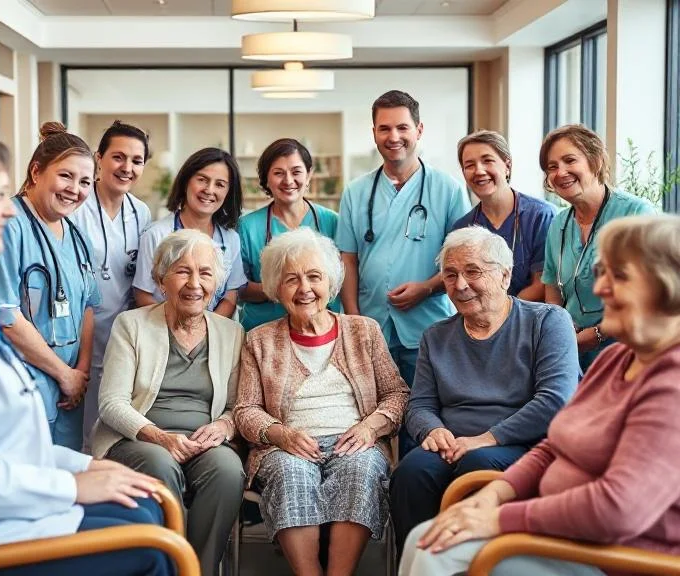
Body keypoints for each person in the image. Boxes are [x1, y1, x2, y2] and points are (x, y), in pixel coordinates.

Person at [0, 123, 175, 576]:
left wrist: (84, 465)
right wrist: (70, 484)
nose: (8, 212)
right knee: (152, 546)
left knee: (145, 507)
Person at [399, 214, 680, 576]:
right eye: (602, 274)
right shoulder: (616, 358)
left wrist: (500, 519)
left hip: (615, 556)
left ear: (667, 288)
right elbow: (555, 444)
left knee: (435, 548)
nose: (599, 290)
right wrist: (492, 495)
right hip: (567, 536)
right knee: (424, 537)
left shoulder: (670, 381)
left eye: (619, 276)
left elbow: (618, 510)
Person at [390, 226, 579, 556]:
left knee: (479, 464)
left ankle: (482, 564)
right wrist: (432, 430)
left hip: (524, 445)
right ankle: (421, 564)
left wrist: (487, 438)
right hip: (453, 444)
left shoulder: (549, 321)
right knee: (411, 473)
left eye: (472, 271)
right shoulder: (435, 336)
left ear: (505, 276)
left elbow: (555, 400)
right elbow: (419, 403)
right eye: (450, 275)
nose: (460, 285)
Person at [234, 228, 409, 576]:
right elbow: (245, 410)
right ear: (275, 287)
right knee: (290, 473)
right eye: (291, 279)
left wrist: (369, 428)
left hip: (354, 441)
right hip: (286, 448)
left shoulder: (364, 331)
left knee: (359, 470)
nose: (304, 289)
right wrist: (282, 434)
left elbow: (397, 393)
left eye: (314, 277)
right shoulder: (259, 340)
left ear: (330, 282)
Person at [91, 228, 245, 576]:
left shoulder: (231, 332)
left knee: (227, 471)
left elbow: (238, 405)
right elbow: (112, 403)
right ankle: (166, 567)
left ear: (216, 283)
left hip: (204, 440)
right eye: (182, 271)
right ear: (161, 279)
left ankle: (199, 570)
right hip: (140, 438)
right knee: (160, 465)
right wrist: (159, 436)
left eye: (205, 273)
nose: (194, 283)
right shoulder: (131, 325)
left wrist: (223, 425)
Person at [334, 90, 470, 453]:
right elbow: (347, 259)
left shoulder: (448, 189)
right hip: (370, 323)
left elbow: (461, 263)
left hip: (427, 325)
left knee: (420, 415)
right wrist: (354, 319)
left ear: (419, 129)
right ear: (374, 132)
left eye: (402, 127)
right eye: (384, 129)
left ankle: (410, 495)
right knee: (364, 419)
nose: (393, 137)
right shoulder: (356, 192)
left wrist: (426, 288)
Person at [0, 122, 99, 451]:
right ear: (37, 171)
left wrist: (80, 372)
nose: (75, 189)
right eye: (66, 176)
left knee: (62, 482)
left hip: (69, 392)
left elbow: (87, 305)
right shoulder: (7, 227)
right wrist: (63, 374)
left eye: (85, 181)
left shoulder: (78, 235)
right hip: (20, 383)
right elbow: (3, 314)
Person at [541, 124, 657, 371]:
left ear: (594, 161)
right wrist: (560, 328)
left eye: (569, 160)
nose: (560, 172)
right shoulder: (558, 223)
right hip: (572, 351)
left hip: (626, 348)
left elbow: (648, 293)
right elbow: (552, 288)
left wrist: (596, 334)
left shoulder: (635, 213)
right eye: (552, 167)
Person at [68, 120, 153, 449]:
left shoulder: (140, 212)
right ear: (99, 157)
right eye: (118, 157)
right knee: (76, 422)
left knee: (108, 422)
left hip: (121, 332)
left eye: (136, 161)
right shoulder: (77, 206)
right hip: (78, 332)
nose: (127, 168)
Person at [238, 138, 340, 331]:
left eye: (296, 172)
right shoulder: (247, 227)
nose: (288, 180)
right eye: (278, 173)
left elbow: (343, 278)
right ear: (266, 179)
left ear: (309, 175)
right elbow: (239, 288)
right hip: (264, 330)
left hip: (320, 330)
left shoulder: (332, 222)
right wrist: (283, 289)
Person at [133, 147, 246, 318]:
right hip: (164, 331)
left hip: (213, 332)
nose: (209, 190)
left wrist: (205, 329)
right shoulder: (156, 235)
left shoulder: (231, 239)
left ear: (228, 193)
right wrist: (179, 327)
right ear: (186, 181)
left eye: (220, 184)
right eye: (202, 179)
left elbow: (230, 296)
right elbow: (143, 295)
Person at [451, 130, 555, 301]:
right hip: (481, 321)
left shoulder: (540, 216)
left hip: (531, 319)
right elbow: (463, 286)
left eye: (488, 161)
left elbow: (542, 284)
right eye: (469, 165)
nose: (479, 170)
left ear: (507, 166)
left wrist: (502, 314)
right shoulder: (463, 228)